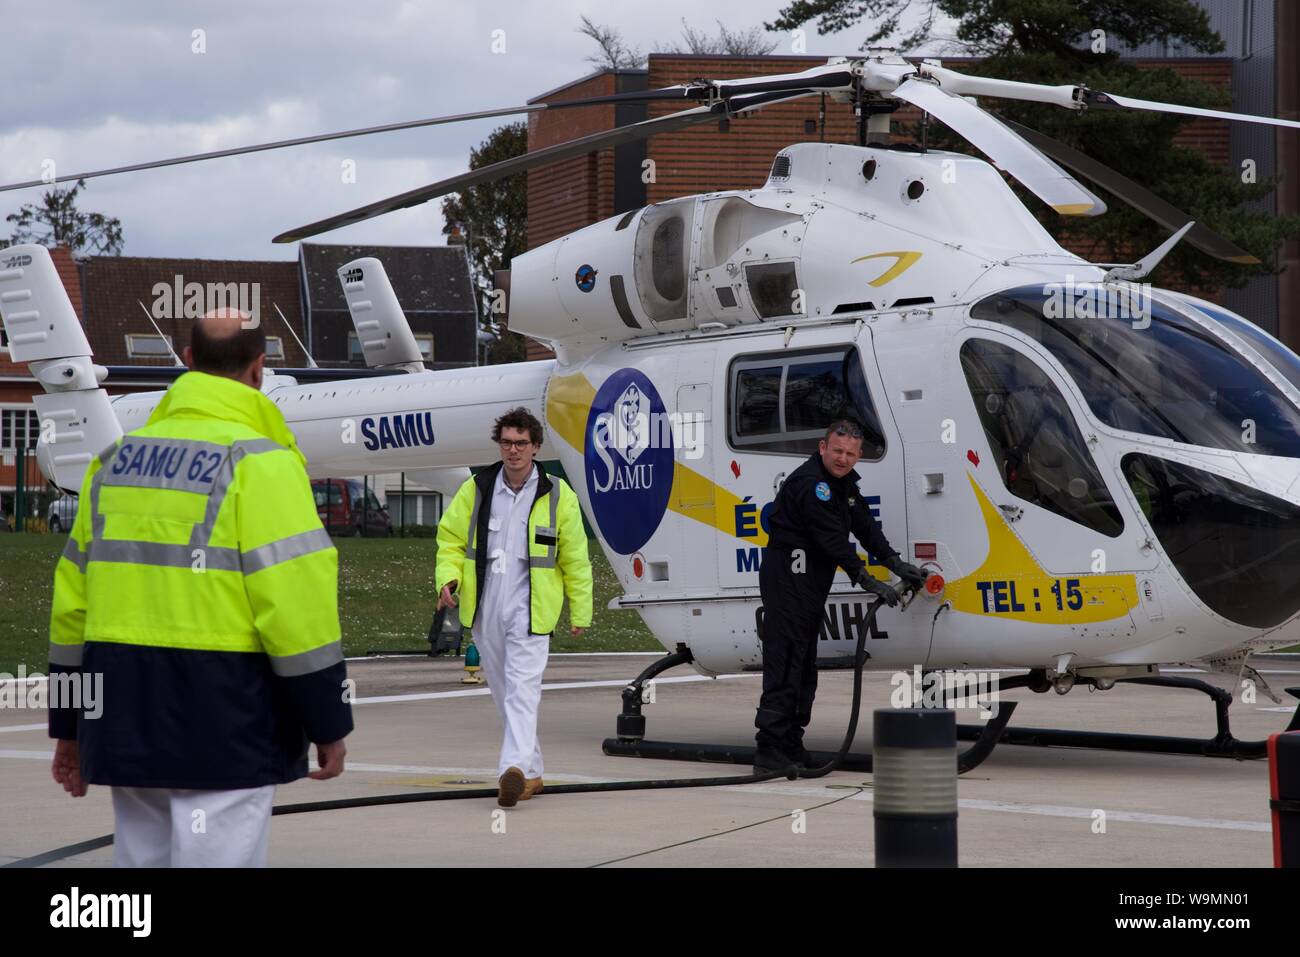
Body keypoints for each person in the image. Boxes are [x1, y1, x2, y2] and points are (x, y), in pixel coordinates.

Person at [48, 309, 352, 867]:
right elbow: (294, 609)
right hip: (225, 716)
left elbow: (71, 608)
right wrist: (328, 722)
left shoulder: (112, 463)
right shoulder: (263, 464)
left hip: (121, 706)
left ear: (186, 362)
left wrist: (69, 725)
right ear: (260, 370)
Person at [435, 407, 592, 807]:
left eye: (522, 443)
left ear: (536, 447)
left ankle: (511, 769)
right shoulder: (478, 487)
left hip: (530, 608)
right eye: (507, 442)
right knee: (506, 692)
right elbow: (450, 539)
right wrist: (447, 579)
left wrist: (581, 610)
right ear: (499, 445)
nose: (513, 450)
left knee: (523, 689)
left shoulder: (559, 495)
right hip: (485, 604)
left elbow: (575, 557)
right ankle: (532, 771)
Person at [754, 419, 927, 771]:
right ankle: (770, 746)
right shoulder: (811, 484)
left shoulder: (842, 484)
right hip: (788, 580)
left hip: (808, 586)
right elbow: (832, 540)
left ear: (858, 455)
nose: (843, 458)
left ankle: (790, 742)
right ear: (822, 447)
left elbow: (865, 526)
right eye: (837, 451)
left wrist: (895, 563)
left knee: (803, 664)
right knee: (786, 661)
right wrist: (866, 579)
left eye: (850, 453)